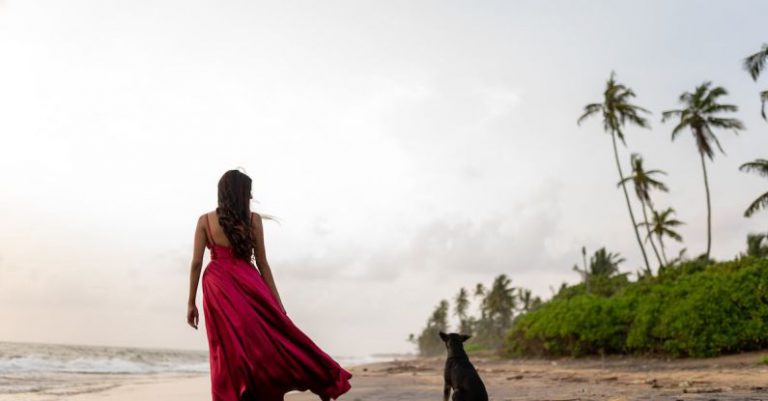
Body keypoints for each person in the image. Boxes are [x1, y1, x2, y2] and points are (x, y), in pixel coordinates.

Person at [186, 169, 352, 401]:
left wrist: (190, 302)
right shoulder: (253, 220)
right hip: (248, 282)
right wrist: (277, 305)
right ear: (239, 193)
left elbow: (196, 263)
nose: (251, 198)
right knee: (268, 338)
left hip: (217, 286)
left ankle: (235, 394)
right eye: (248, 193)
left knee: (225, 348)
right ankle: (303, 378)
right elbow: (262, 263)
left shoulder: (205, 221)